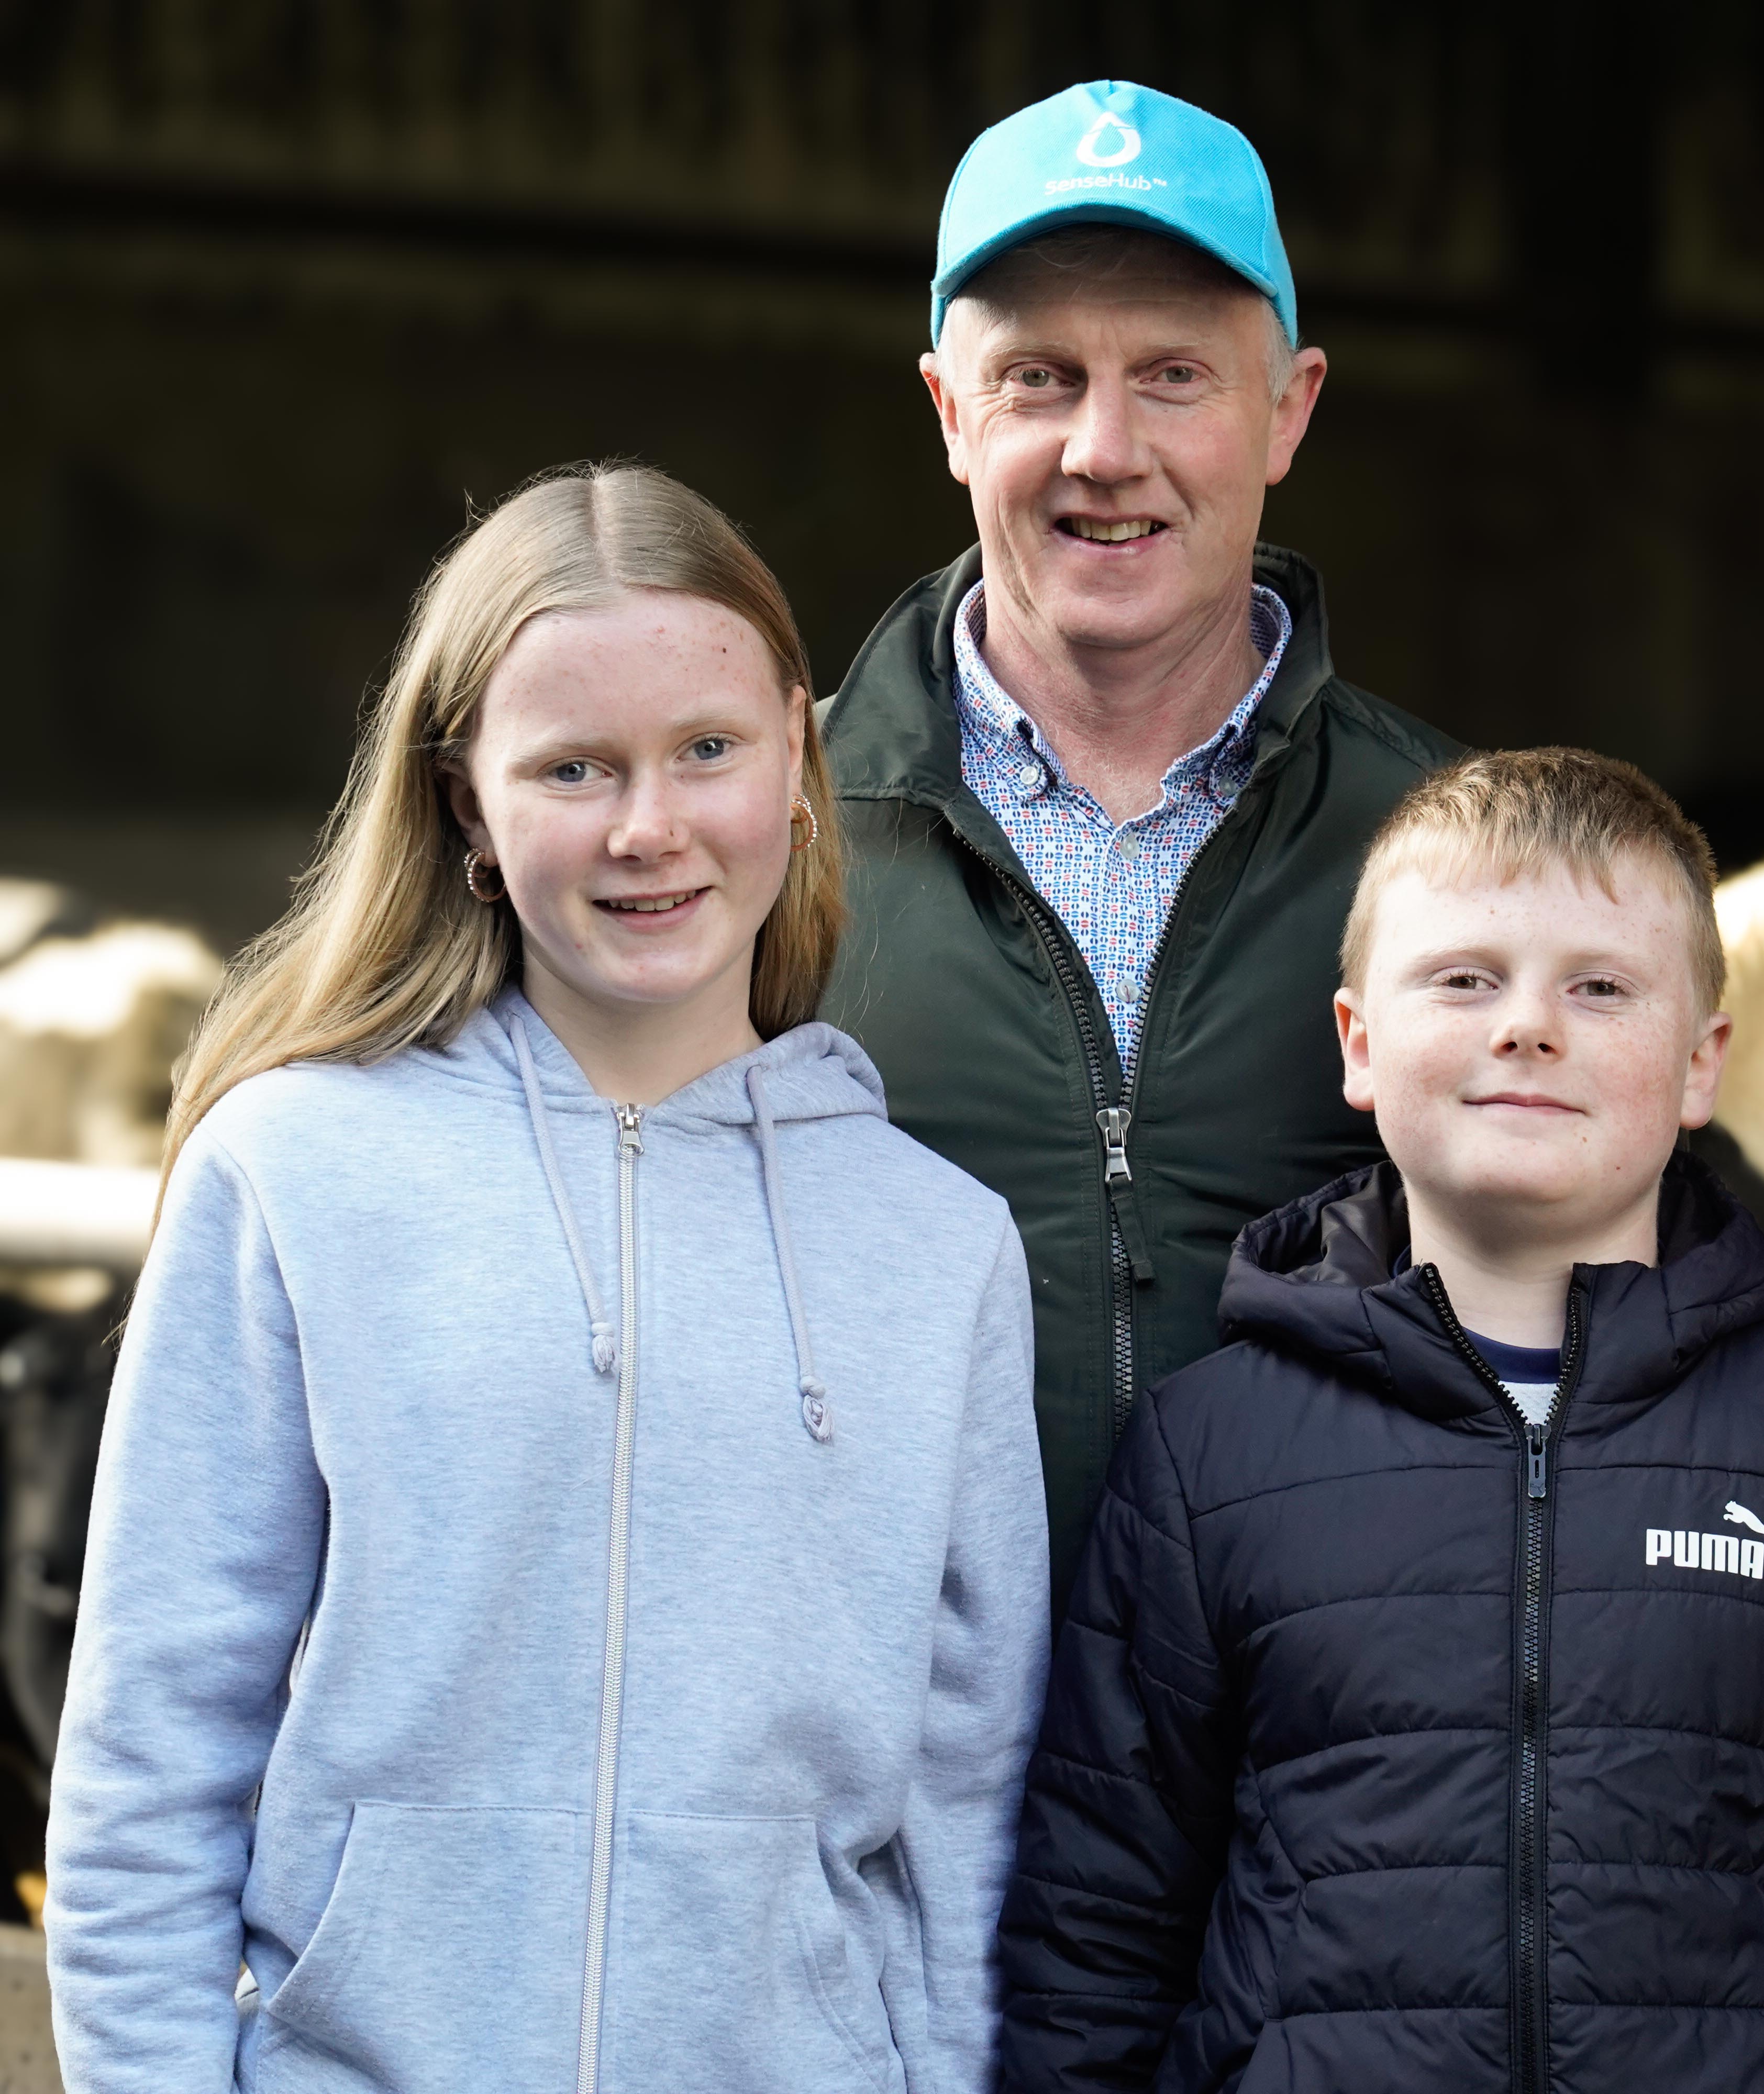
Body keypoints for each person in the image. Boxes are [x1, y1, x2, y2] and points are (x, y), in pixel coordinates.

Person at [46, 466, 1050, 2090]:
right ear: (466, 805)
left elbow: (964, 1819)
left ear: (798, 757)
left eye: (706, 751)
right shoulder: (295, 1172)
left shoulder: (938, 1248)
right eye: (572, 767)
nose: (647, 829)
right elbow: (153, 1762)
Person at [997, 750, 1764, 2090]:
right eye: (1465, 977)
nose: (1529, 1027)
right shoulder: (1210, 1450)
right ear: (1359, 1043)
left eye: (1600, 987)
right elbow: (1096, 1931)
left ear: (1699, 1063)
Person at [823, 79, 1454, 1606]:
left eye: (1174, 375)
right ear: (949, 413)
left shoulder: (1459, 853)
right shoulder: (761, 831)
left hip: (1305, 1772)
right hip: (865, 1764)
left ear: (1288, 410)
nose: (1105, 450)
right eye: (1040, 378)